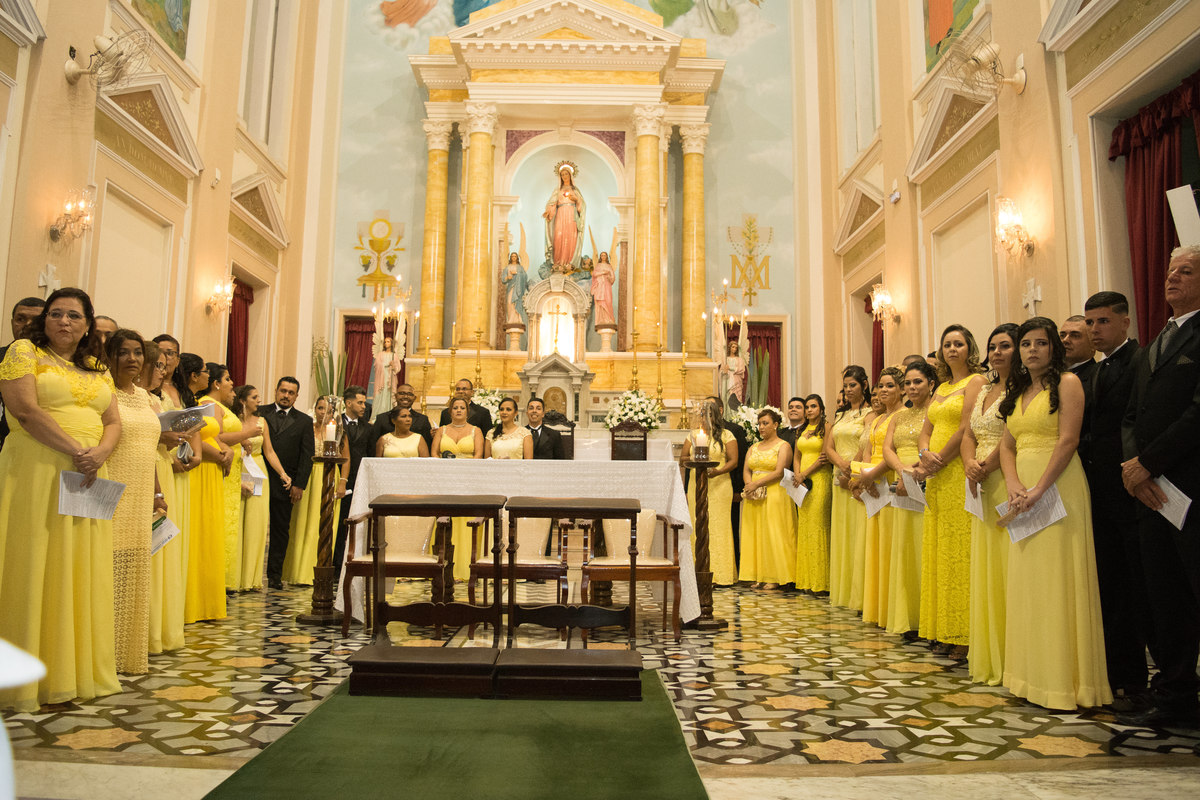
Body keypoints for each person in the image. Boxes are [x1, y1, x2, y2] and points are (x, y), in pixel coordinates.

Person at [0, 288, 121, 711]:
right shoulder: (23, 352)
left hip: (90, 473)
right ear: (44, 319)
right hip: (39, 466)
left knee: (81, 564)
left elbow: (113, 420)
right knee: (35, 561)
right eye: (55, 314)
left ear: (88, 323)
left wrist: (101, 452)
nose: (63, 322)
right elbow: (26, 412)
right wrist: (76, 450)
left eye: (73, 315)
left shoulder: (97, 368)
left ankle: (75, 669)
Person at [998, 316, 1110, 710]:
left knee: (1059, 579)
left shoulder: (1068, 384)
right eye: (1026, 343)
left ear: (1053, 349)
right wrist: (1013, 485)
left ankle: (1066, 683)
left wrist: (1040, 488)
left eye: (1041, 343)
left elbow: (1069, 439)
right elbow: (1007, 446)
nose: (1032, 350)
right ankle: (1030, 678)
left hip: (1059, 485)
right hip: (1021, 491)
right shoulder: (1018, 392)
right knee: (1029, 581)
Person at [1119, 245, 1200, 727]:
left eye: (1185, 272)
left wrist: (1148, 463)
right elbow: (1133, 415)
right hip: (1150, 494)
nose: (1171, 279)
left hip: (1188, 486)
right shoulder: (1156, 343)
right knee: (1163, 596)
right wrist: (1134, 467)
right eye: (1169, 271)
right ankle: (1174, 694)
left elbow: (1197, 413)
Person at [1081, 291, 1150, 709]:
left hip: (1128, 488)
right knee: (1105, 584)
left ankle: (1139, 680)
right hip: (1091, 489)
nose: (1094, 330)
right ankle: (1112, 672)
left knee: (1134, 586)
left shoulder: (1140, 362)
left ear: (1125, 322)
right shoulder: (1083, 372)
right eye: (1090, 322)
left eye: (1102, 322)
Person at [917, 324, 986, 660]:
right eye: (947, 344)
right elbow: (925, 429)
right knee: (940, 550)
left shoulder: (976, 381)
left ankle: (966, 632)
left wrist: (941, 459)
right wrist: (925, 454)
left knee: (961, 549)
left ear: (969, 347)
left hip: (958, 468)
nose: (952, 349)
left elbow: (967, 426)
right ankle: (943, 627)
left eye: (959, 343)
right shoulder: (942, 386)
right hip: (936, 475)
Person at [103, 329, 165, 675]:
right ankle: (101, 653)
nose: (132, 359)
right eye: (123, 352)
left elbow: (151, 451)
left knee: (133, 567)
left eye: (138, 353)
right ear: (109, 356)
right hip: (112, 487)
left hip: (141, 490)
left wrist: (157, 491)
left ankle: (127, 652)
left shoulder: (146, 398)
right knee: (106, 568)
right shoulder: (102, 392)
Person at [962, 323, 1017, 684]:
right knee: (987, 563)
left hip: (1004, 473)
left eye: (1005, 346)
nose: (997, 353)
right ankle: (991, 646)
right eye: (992, 347)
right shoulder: (983, 388)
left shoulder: (1022, 389)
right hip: (977, 477)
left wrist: (987, 465)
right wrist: (969, 462)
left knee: (1009, 563)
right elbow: (969, 431)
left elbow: (1015, 434)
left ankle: (1014, 650)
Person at [882, 361, 938, 637]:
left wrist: (916, 473)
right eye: (908, 383)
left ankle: (927, 617)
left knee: (923, 543)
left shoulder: (935, 411)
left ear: (931, 383)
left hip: (926, 477)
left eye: (918, 382)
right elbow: (887, 448)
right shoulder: (899, 417)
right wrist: (901, 471)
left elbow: (935, 445)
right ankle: (908, 616)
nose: (912, 388)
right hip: (900, 479)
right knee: (904, 546)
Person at [141, 344, 188, 654]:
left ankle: (160, 624)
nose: (161, 370)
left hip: (163, 466)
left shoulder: (159, 399)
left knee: (162, 545)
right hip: (146, 466)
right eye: (156, 365)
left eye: (163, 365)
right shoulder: (135, 396)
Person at [852, 367, 903, 626]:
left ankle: (892, 608)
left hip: (889, 478)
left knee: (891, 541)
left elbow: (891, 451)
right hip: (872, 481)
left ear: (901, 389)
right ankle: (879, 606)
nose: (883, 390)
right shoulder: (876, 419)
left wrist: (871, 476)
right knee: (876, 542)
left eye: (890, 385)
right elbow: (868, 451)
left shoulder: (902, 415)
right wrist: (859, 479)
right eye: (881, 386)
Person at [185, 359, 233, 622]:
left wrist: (224, 452)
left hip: (211, 468)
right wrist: (223, 454)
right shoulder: (203, 403)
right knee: (198, 531)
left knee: (209, 532)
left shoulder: (199, 401)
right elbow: (197, 437)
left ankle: (205, 597)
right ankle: (194, 597)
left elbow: (210, 435)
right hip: (200, 468)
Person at [283, 396, 346, 586]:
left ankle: (319, 568)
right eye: (320, 408)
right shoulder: (306, 427)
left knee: (324, 523)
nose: (323, 413)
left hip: (329, 476)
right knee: (302, 522)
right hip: (308, 476)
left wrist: (342, 481)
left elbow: (346, 458)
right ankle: (297, 572)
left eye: (327, 410)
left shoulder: (337, 431)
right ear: (315, 409)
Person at [259, 377, 314, 590]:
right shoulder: (260, 413)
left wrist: (299, 484)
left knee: (281, 530)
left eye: (291, 393)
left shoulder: (304, 421)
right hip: (260, 478)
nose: (286, 395)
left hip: (286, 483)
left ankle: (274, 575)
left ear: (297, 396)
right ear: (276, 391)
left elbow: (306, 454)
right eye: (283, 391)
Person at [825, 366, 871, 607]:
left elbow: (868, 444)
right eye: (845, 386)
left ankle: (861, 594)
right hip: (838, 473)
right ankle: (843, 591)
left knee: (858, 532)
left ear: (864, 384)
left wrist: (851, 468)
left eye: (853, 385)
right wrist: (840, 463)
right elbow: (829, 446)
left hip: (857, 477)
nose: (848, 390)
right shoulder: (841, 415)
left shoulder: (871, 413)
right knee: (843, 533)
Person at [203, 363, 251, 592]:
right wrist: (247, 434)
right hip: (218, 465)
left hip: (231, 472)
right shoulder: (208, 404)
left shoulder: (220, 405)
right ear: (216, 383)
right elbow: (217, 435)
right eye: (228, 379)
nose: (232, 383)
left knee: (229, 524)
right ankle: (217, 580)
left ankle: (226, 579)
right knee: (220, 522)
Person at [233, 385, 287, 591]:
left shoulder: (262, 422)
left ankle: (251, 579)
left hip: (257, 470)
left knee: (256, 525)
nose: (259, 400)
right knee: (236, 523)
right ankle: (234, 577)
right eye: (254, 397)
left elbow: (270, 451)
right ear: (243, 400)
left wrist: (282, 474)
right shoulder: (232, 420)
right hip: (237, 469)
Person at [680, 399, 738, 587]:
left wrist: (718, 471)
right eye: (702, 415)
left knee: (718, 526)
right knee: (698, 523)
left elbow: (733, 460)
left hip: (720, 484)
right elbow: (682, 457)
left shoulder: (727, 435)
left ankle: (721, 573)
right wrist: (694, 458)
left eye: (708, 415)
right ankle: (698, 571)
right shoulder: (694, 434)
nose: (704, 418)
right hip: (697, 483)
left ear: (715, 415)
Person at [738, 408, 794, 590]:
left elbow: (779, 472)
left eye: (765, 423)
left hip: (774, 493)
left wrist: (758, 484)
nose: (761, 427)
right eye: (759, 424)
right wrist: (749, 484)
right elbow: (746, 468)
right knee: (755, 532)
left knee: (773, 532)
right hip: (754, 494)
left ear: (776, 425)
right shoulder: (754, 447)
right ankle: (757, 574)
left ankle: (775, 576)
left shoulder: (783, 446)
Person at [433, 397, 484, 580]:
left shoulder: (476, 431)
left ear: (467, 411)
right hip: (445, 480)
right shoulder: (442, 430)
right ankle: (442, 564)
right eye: (455, 408)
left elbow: (479, 455)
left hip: (468, 480)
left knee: (466, 518)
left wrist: (465, 472)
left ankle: (467, 565)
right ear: (450, 411)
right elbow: (434, 454)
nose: (459, 410)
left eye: (462, 408)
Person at [792, 394, 832, 594]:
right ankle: (806, 580)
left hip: (819, 478)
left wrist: (805, 474)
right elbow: (797, 455)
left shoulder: (827, 428)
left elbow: (824, 457)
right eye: (807, 407)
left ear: (821, 409)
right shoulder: (801, 430)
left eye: (813, 406)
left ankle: (821, 582)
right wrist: (798, 474)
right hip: (802, 482)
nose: (809, 410)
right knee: (805, 526)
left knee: (818, 525)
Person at [334, 385, 373, 576]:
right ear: (348, 403)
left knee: (355, 522)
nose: (363, 406)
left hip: (360, 479)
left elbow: (371, 453)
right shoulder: (335, 423)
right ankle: (333, 566)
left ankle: (350, 563)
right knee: (337, 524)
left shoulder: (368, 427)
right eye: (360, 402)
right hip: (338, 477)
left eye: (364, 402)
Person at [707, 394, 748, 567]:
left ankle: (732, 566)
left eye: (710, 408)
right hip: (706, 486)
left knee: (729, 526)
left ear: (721, 410)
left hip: (727, 485)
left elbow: (739, 461)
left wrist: (739, 489)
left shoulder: (734, 430)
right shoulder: (701, 431)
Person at [0, 296, 45, 451]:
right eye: (21, 319)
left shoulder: (58, 360)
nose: (27, 325)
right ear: (12, 323)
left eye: (36, 320)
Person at [541, 162, 586, 272]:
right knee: (558, 237)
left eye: (566, 174)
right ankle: (558, 263)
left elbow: (582, 205)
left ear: (570, 175)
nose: (564, 176)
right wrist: (548, 212)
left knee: (571, 236)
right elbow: (553, 203)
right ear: (560, 177)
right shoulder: (558, 190)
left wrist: (576, 200)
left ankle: (569, 263)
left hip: (572, 215)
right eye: (562, 175)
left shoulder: (575, 190)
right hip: (560, 215)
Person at [369, 382, 432, 455]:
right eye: (402, 393)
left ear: (414, 398)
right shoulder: (382, 418)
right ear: (395, 396)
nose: (405, 396)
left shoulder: (422, 420)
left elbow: (428, 445)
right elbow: (373, 445)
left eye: (410, 394)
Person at [370, 336, 396, 422]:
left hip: (389, 378)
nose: (386, 343)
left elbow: (397, 367)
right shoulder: (380, 354)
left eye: (388, 341)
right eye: (385, 342)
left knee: (388, 396)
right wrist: (385, 365)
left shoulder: (394, 355)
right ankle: (376, 416)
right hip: (381, 377)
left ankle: (388, 415)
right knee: (379, 395)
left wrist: (393, 366)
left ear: (391, 343)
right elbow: (376, 364)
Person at [501, 253, 530, 326]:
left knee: (516, 302)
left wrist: (516, 273)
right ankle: (510, 319)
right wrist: (508, 278)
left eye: (515, 256)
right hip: (511, 287)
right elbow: (503, 279)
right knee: (509, 302)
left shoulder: (520, 268)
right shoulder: (507, 267)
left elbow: (524, 276)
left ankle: (518, 319)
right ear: (510, 258)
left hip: (518, 289)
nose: (513, 258)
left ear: (517, 258)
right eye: (512, 256)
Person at [719, 340, 748, 408]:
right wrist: (724, 371)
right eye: (733, 347)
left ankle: (735, 415)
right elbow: (721, 370)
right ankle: (726, 414)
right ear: (729, 348)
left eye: (736, 348)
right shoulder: (725, 359)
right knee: (726, 397)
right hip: (726, 380)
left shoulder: (740, 360)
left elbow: (741, 369)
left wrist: (730, 368)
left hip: (736, 381)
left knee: (735, 396)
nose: (734, 349)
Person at [591, 251, 616, 327]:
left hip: (607, 286)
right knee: (600, 302)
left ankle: (608, 319)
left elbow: (613, 277)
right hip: (599, 286)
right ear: (600, 257)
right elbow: (594, 274)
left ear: (607, 257)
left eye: (604, 255)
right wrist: (603, 272)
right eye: (602, 255)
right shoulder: (598, 266)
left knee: (608, 301)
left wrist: (610, 277)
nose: (603, 257)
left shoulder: (609, 266)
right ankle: (601, 319)